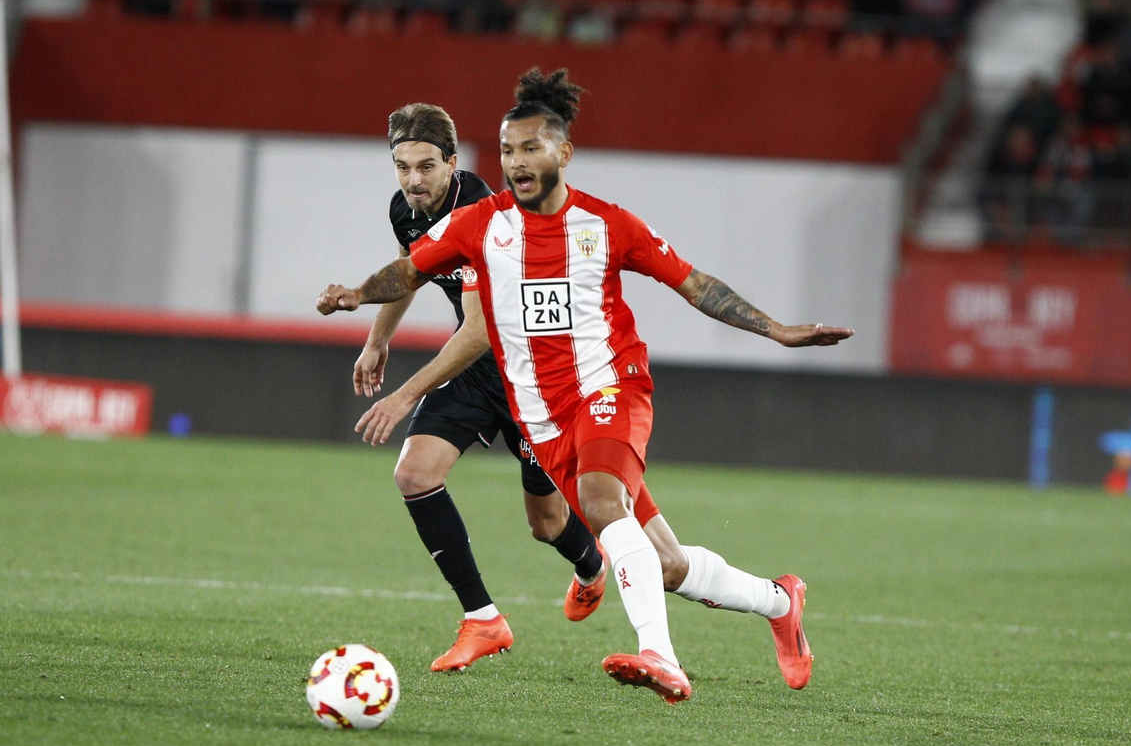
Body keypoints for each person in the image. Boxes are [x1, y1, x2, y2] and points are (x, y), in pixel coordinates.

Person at [319, 68, 853, 703]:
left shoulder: (605, 224)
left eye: (531, 148)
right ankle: (778, 602)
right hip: (540, 413)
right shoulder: (481, 225)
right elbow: (408, 269)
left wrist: (777, 330)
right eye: (509, 149)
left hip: (611, 388)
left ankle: (661, 657)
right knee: (667, 564)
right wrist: (357, 296)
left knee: (599, 505)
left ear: (563, 152)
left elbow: (695, 283)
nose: (517, 162)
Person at [353, 102, 608, 674]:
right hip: (477, 372)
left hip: (534, 377)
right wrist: (378, 340)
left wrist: (403, 396)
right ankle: (483, 619)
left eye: (424, 167)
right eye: (401, 167)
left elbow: (480, 331)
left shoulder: (485, 218)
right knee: (414, 474)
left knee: (545, 524)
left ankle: (592, 564)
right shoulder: (408, 209)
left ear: (451, 162)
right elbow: (410, 270)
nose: (412, 180)